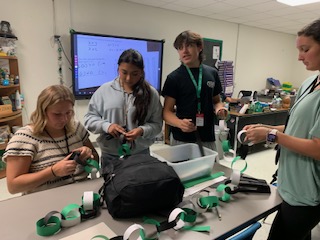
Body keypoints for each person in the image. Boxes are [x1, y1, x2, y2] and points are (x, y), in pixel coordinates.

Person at [243, 19, 320, 240]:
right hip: (290, 181)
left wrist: (270, 135)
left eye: (305, 49)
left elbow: (317, 148)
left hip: (307, 193)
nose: (299, 56)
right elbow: (296, 128)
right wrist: (265, 127)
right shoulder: (309, 83)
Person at [3, 85, 99, 195]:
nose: (64, 119)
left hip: (82, 194)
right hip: (46, 199)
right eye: (57, 114)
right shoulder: (24, 139)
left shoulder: (76, 128)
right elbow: (13, 187)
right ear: (43, 112)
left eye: (69, 112)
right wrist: (53, 172)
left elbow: (95, 160)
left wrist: (87, 155)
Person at [84, 49, 162, 169]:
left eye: (134, 73)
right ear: (118, 68)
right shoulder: (104, 90)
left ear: (141, 72)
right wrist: (107, 126)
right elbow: (89, 119)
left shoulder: (151, 94)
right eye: (124, 72)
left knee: (139, 187)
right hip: (111, 156)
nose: (128, 78)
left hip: (140, 155)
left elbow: (157, 125)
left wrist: (142, 130)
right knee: (112, 187)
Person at [162, 30, 227, 150]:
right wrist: (179, 123)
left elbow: (216, 100)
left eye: (189, 46)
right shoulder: (174, 78)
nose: (184, 51)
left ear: (200, 47)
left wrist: (220, 108)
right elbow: (166, 112)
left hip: (207, 136)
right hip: (182, 138)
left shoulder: (212, 73)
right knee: (182, 169)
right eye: (180, 48)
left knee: (208, 168)